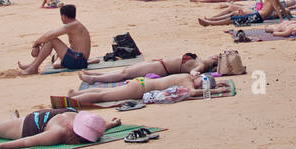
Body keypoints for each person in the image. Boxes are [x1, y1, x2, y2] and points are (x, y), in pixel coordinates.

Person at [0, 109, 115, 149]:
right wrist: (111, 124)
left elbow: (26, 142)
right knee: (8, 124)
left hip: (28, 127)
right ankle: (12, 120)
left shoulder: (57, 133)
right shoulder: (81, 119)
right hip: (43, 116)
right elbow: (98, 129)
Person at [63, 70, 218, 106]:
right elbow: (193, 92)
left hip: (141, 82)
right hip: (140, 88)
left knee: (104, 91)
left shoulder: (187, 76)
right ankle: (73, 100)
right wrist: (216, 90)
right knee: (103, 96)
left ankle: (76, 93)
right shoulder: (188, 82)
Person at [18, 4, 91, 75]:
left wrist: (35, 44)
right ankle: (32, 65)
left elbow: (51, 35)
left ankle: (33, 67)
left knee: (52, 40)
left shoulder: (73, 25)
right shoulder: (75, 24)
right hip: (78, 60)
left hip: (79, 61)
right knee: (51, 39)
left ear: (63, 17)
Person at [78, 53, 218, 84]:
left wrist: (195, 72)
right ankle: (98, 74)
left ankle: (94, 79)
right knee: (126, 70)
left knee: (125, 73)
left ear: (214, 61)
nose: (215, 54)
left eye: (216, 56)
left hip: (160, 68)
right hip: (158, 63)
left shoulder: (201, 64)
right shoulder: (200, 59)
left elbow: (195, 72)